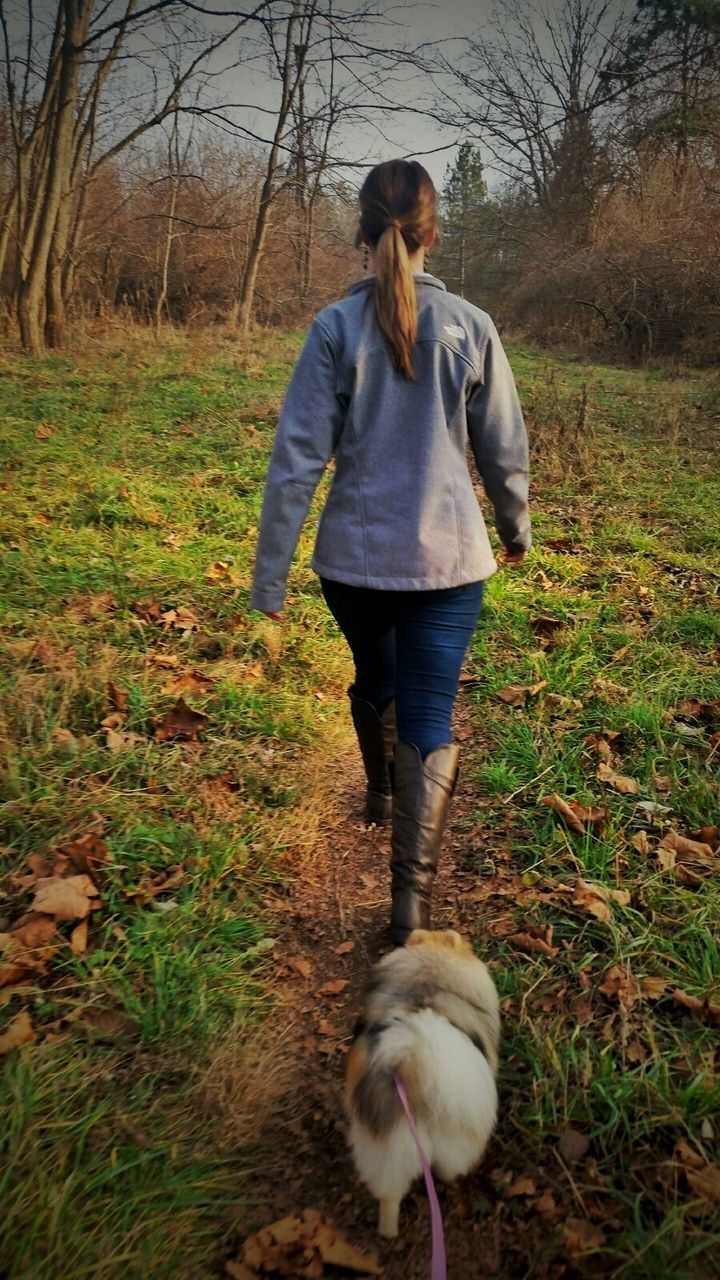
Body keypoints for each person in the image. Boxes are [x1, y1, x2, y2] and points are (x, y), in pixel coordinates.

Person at [249, 158, 530, 946]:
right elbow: (504, 450)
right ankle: (410, 910)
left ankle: (378, 792)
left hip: (354, 563)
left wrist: (269, 581)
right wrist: (516, 530)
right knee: (430, 710)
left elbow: (295, 460)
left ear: (363, 233)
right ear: (431, 234)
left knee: (377, 678)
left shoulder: (333, 329)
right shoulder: (473, 325)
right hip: (449, 563)